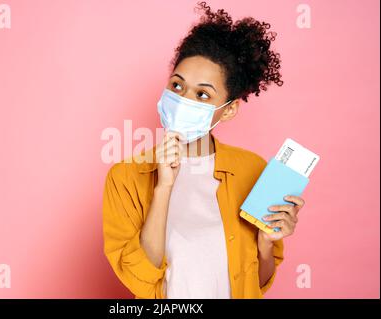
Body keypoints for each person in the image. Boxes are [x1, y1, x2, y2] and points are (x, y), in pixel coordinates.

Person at [102, 1, 306, 299]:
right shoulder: (125, 177)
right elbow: (140, 280)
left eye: (202, 94)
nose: (184, 99)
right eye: (177, 86)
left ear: (228, 110)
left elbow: (257, 283)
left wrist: (266, 242)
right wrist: (163, 188)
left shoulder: (252, 170)